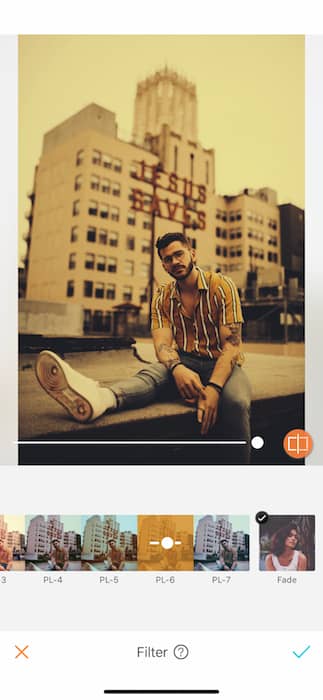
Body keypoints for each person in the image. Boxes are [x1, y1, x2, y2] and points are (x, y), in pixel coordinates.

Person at [35, 232, 251, 462]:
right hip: (185, 360)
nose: (175, 262)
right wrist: (177, 369)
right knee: (150, 376)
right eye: (167, 259)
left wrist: (214, 389)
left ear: (192, 254)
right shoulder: (162, 295)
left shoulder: (221, 285)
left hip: (222, 364)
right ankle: (100, 399)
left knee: (236, 403)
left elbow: (232, 346)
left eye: (179, 254)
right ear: (164, 265)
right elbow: (162, 344)